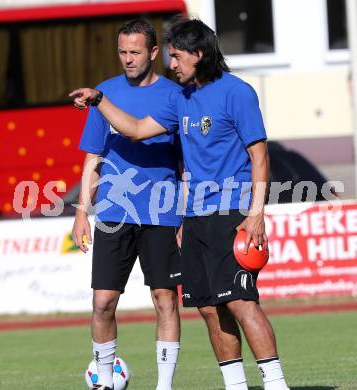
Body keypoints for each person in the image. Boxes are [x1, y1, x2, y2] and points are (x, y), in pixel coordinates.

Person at [70, 17, 290, 390]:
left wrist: (255, 215)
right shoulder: (182, 98)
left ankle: (275, 383)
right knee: (207, 307)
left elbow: (260, 156)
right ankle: (235, 385)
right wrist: (100, 99)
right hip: (195, 216)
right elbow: (137, 130)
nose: (171, 65)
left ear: (198, 55)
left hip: (231, 213)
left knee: (240, 301)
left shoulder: (237, 92)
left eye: (176, 57)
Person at [72, 19, 182, 390]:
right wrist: (82, 214)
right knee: (103, 302)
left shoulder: (174, 95)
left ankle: (164, 386)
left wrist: (183, 214)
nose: (128, 59)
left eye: (135, 52)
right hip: (114, 215)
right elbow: (93, 158)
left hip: (162, 212)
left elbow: (184, 163)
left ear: (154, 52)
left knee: (164, 298)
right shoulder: (104, 92)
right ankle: (104, 381)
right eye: (122, 52)